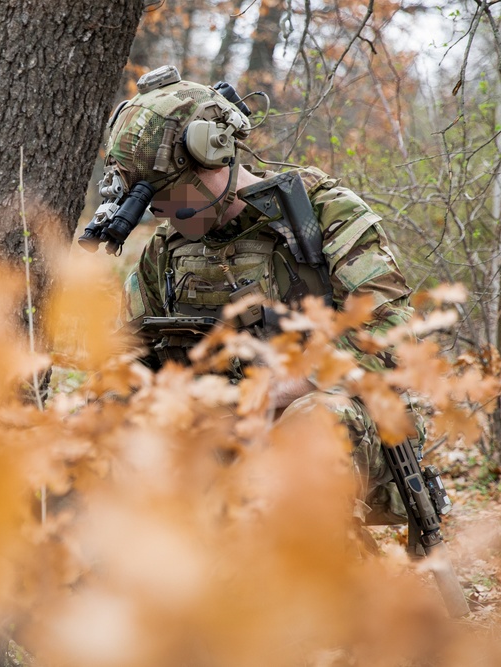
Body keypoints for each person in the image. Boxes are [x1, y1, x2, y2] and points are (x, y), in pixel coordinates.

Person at [83, 66, 417, 529]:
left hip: (344, 421)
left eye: (176, 194)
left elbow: (390, 340)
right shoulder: (166, 251)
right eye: (158, 203)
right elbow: (130, 354)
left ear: (217, 152)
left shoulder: (323, 216)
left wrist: (283, 388)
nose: (171, 212)